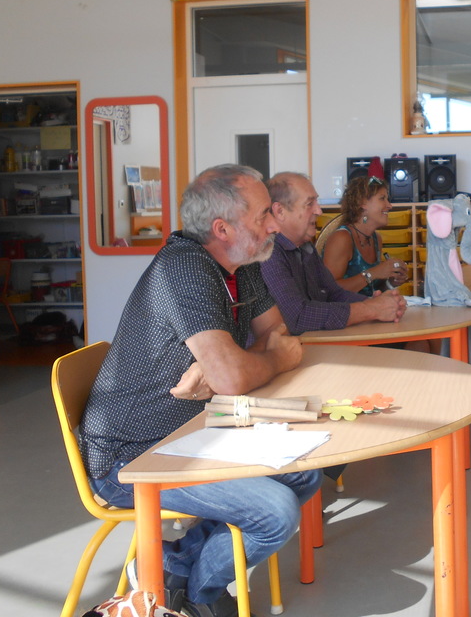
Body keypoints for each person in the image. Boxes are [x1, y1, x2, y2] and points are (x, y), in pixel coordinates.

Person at [79, 165, 322, 617]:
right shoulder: (184, 267)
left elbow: (277, 334)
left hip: (194, 431)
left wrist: (231, 364)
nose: (273, 225)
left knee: (304, 474)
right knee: (275, 512)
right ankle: (197, 596)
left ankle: (175, 572)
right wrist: (257, 363)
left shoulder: (241, 263)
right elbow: (255, 364)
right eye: (262, 215)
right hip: (131, 454)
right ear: (222, 229)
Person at [261, 171, 408, 333]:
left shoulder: (306, 248)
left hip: (317, 340)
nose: (319, 211)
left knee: (416, 343)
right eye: (310, 204)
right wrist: (370, 309)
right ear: (280, 211)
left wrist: (377, 303)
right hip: (299, 346)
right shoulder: (268, 253)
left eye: (316, 202)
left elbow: (334, 293)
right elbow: (298, 317)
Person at [322, 176, 409, 296]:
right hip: (344, 308)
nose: (389, 205)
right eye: (382, 198)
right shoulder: (342, 238)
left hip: (367, 307)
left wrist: (391, 282)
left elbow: (370, 290)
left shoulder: (376, 239)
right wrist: (373, 273)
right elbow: (329, 291)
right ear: (362, 203)